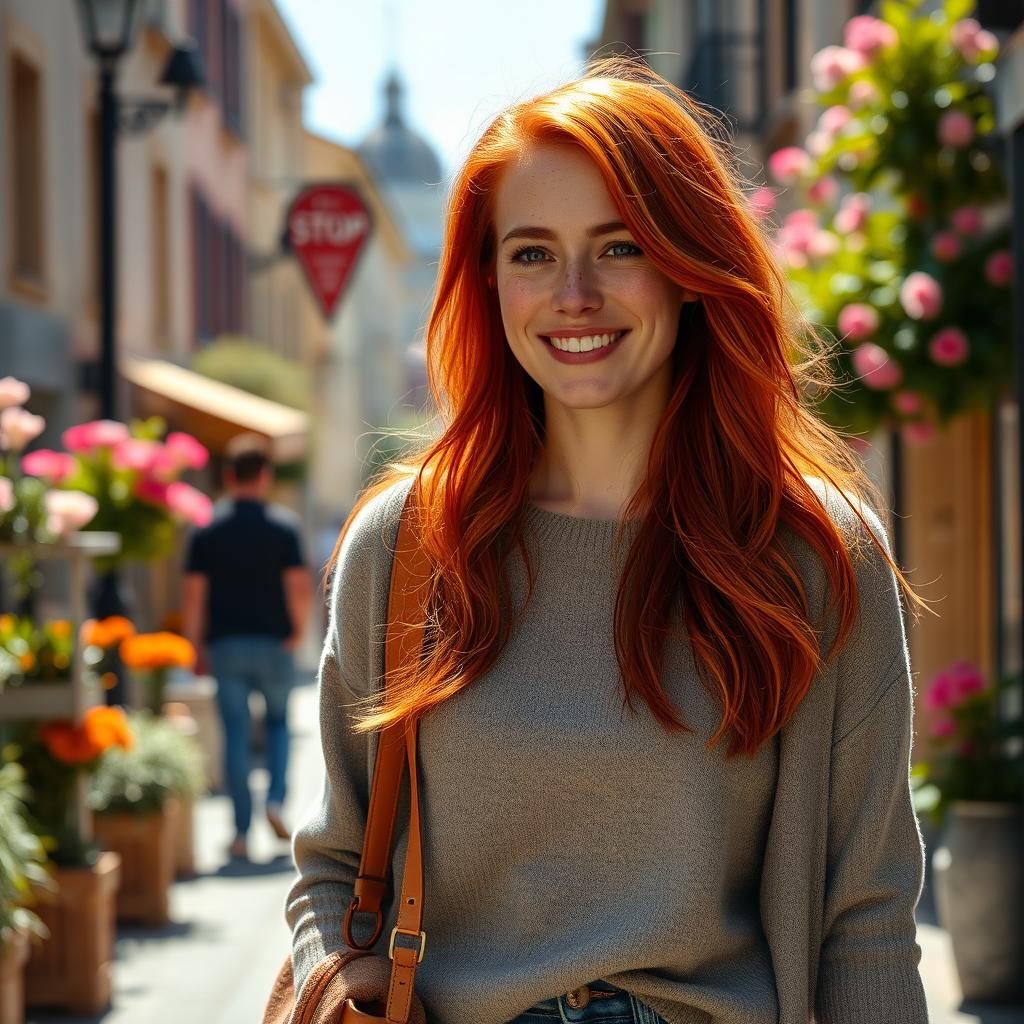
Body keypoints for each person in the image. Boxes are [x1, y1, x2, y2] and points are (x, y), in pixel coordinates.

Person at [284, 57, 931, 1024]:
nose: (574, 293)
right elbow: (333, 868)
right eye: (532, 253)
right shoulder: (411, 543)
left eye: (620, 247)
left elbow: (867, 913)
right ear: (488, 282)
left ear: (691, 268)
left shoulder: (813, 554)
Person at [183, 432, 313, 862]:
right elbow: (298, 586)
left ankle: (240, 833)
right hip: (275, 642)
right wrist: (298, 631)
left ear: (227, 476)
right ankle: (275, 800)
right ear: (265, 476)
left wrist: (195, 645)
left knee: (235, 734)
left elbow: (194, 595)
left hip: (226, 644)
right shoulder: (283, 527)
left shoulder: (207, 530)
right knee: (278, 725)